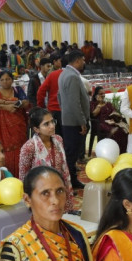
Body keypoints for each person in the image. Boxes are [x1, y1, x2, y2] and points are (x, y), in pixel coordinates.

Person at [19, 108, 74, 212]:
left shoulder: (58, 139)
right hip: (41, 192)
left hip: (59, 187)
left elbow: (63, 167)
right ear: (36, 129)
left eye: (53, 121)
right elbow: (23, 176)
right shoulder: (29, 147)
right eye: (46, 124)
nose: (52, 126)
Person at [58, 50, 91, 181]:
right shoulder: (72, 76)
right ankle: (71, 180)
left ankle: (69, 179)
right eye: (83, 60)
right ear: (77, 61)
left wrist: (64, 111)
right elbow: (74, 102)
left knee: (71, 152)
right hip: (74, 122)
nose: (84, 63)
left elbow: (59, 97)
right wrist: (82, 122)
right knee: (72, 154)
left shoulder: (64, 74)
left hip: (69, 119)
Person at [89, 86, 129, 152]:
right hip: (99, 124)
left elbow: (115, 113)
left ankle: (122, 151)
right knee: (116, 132)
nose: (103, 95)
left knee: (123, 130)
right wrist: (99, 104)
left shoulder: (108, 104)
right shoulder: (93, 104)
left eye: (103, 93)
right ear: (96, 95)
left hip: (110, 123)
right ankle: (112, 151)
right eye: (100, 94)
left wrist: (114, 118)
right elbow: (93, 115)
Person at [35, 57, 64, 130]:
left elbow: (40, 92)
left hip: (53, 110)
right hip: (68, 111)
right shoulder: (74, 75)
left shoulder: (52, 75)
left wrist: (41, 106)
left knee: (54, 135)